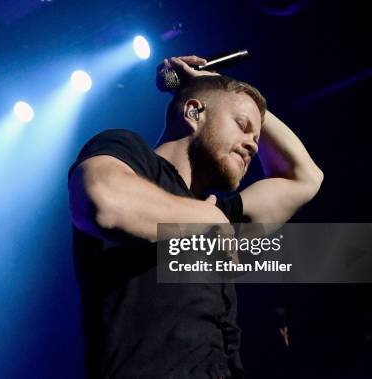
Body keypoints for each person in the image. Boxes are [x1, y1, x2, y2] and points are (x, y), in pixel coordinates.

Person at [67, 55, 323, 378]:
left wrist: (221, 85)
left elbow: (305, 178)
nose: (254, 147)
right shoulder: (129, 152)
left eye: (255, 138)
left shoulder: (219, 216)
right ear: (193, 112)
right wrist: (208, 219)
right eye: (242, 126)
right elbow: (101, 200)